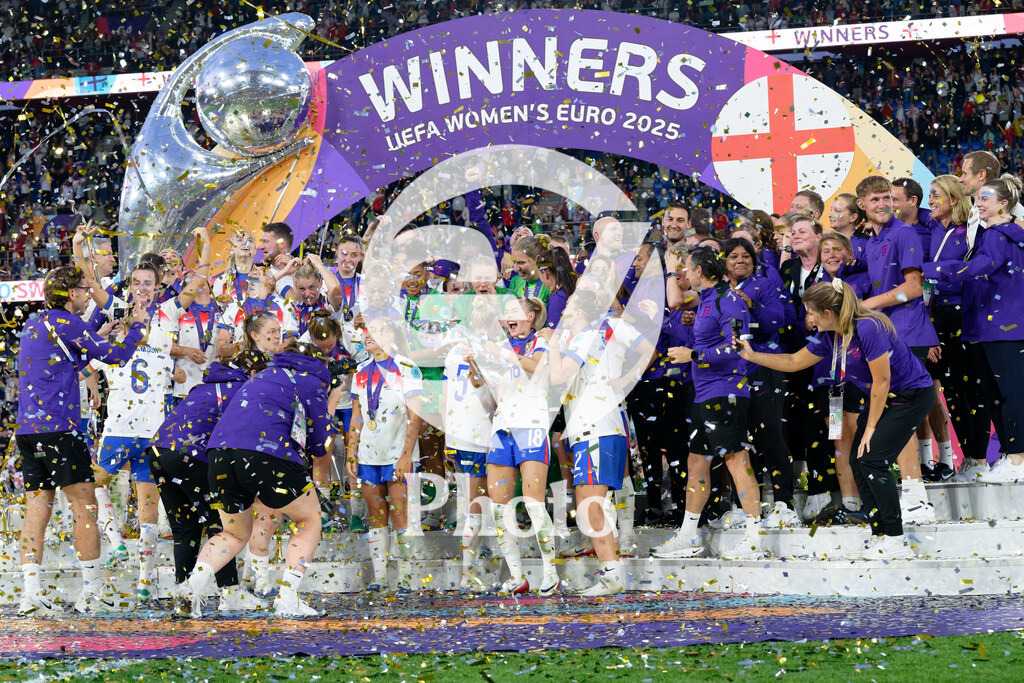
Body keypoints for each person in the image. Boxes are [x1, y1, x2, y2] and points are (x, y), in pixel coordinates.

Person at [738, 280, 934, 559]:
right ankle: (879, 533)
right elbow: (793, 362)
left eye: (811, 313)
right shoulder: (830, 336)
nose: (809, 319)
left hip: (911, 394)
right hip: (886, 396)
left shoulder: (868, 327)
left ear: (828, 313)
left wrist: (871, 428)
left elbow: (882, 380)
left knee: (873, 460)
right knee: (858, 460)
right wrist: (752, 355)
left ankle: (895, 539)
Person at [75, 226, 212, 603]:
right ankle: (131, 563)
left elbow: (198, 279)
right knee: (120, 494)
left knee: (121, 496)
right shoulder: (142, 313)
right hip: (137, 426)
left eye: (146, 282)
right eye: (137, 282)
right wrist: (77, 245)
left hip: (138, 427)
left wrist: (205, 244)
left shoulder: (146, 314)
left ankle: (128, 573)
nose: (141, 287)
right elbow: (90, 279)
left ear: (152, 286)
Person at [15, 265, 148, 615]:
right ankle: (92, 591)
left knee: (36, 509)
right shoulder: (69, 323)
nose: (89, 294)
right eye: (85, 290)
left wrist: (95, 333)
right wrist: (136, 328)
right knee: (85, 507)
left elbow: (65, 359)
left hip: (28, 431)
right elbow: (117, 356)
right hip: (61, 429)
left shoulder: (33, 323)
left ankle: (30, 594)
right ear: (71, 294)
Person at [184, 340, 333, 618]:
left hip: (218, 453)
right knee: (309, 518)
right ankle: (287, 598)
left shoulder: (263, 374)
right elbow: (320, 445)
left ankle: (190, 589)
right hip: (266, 451)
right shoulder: (311, 379)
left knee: (233, 533)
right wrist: (331, 404)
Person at [652, 247, 763, 560]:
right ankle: (688, 536)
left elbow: (738, 347)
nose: (683, 274)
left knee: (736, 460)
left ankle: (754, 539)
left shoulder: (728, 300)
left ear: (699, 271)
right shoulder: (705, 299)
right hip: (705, 394)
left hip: (726, 393)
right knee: (696, 462)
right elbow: (677, 303)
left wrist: (693, 355)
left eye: (687, 268)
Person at [149, 350, 270, 612]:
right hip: (190, 454)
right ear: (253, 373)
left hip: (158, 450)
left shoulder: (207, 384)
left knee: (184, 527)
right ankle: (230, 593)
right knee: (222, 525)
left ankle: (184, 594)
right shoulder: (244, 390)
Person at [925, 175, 1024, 481]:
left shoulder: (998, 235)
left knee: (1009, 394)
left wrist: (929, 270)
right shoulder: (995, 234)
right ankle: (1010, 456)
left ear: (1003, 204)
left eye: (985, 199)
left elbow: (980, 267)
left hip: (1004, 327)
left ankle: (1017, 458)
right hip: (992, 327)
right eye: (977, 198)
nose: (977, 204)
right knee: (997, 394)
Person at [543, 288, 637, 595]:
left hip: (597, 431)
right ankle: (611, 574)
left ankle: (612, 576)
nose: (562, 312)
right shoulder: (580, 339)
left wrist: (552, 345)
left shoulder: (585, 337)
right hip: (592, 431)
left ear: (580, 313)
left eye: (568, 307)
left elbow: (559, 377)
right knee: (589, 505)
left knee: (590, 506)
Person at [857, 175, 938, 524]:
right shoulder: (871, 241)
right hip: (892, 335)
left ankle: (917, 496)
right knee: (897, 420)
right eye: (874, 199)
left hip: (909, 334)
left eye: (886, 197)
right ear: (862, 204)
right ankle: (911, 492)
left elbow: (915, 287)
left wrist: (867, 305)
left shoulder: (903, 233)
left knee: (901, 419)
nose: (882, 204)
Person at [474, 297, 559, 595]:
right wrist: (475, 367)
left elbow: (534, 367)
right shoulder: (501, 347)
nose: (507, 317)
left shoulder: (541, 340)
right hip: (502, 427)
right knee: (499, 507)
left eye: (514, 311)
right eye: (506, 313)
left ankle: (551, 573)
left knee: (533, 502)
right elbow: (487, 391)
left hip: (532, 425)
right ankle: (516, 576)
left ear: (531, 315)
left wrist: (501, 353)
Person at [722, 237, 797, 526]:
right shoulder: (718, 292)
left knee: (770, 434)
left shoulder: (764, 285)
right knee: (737, 440)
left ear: (754, 261)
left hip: (764, 366)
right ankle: (744, 506)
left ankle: (783, 502)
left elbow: (777, 323)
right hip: (731, 373)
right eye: (734, 256)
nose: (740, 260)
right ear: (724, 262)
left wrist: (751, 304)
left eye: (746, 256)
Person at [347, 321, 423, 593]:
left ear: (389, 335)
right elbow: (357, 416)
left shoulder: (407, 368)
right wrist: (351, 451)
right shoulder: (360, 372)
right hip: (369, 455)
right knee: (376, 516)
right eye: (366, 331)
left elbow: (415, 417)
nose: (367, 335)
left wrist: (405, 456)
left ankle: (406, 577)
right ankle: (380, 578)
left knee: (400, 515)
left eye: (375, 330)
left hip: (398, 454)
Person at [925, 174, 987, 479]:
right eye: (929, 195)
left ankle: (980, 458)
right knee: (949, 391)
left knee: (970, 388)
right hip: (938, 315)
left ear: (953, 199)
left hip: (963, 314)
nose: (930, 201)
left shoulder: (970, 231)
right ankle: (968, 458)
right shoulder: (935, 228)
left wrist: (928, 269)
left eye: (936, 195)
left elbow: (965, 270)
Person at [441, 302, 498, 592]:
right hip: (481, 432)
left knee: (469, 502)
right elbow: (494, 399)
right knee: (479, 503)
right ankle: (470, 573)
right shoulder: (492, 351)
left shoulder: (453, 353)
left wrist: (446, 434)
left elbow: (445, 395)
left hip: (457, 433)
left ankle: (474, 567)